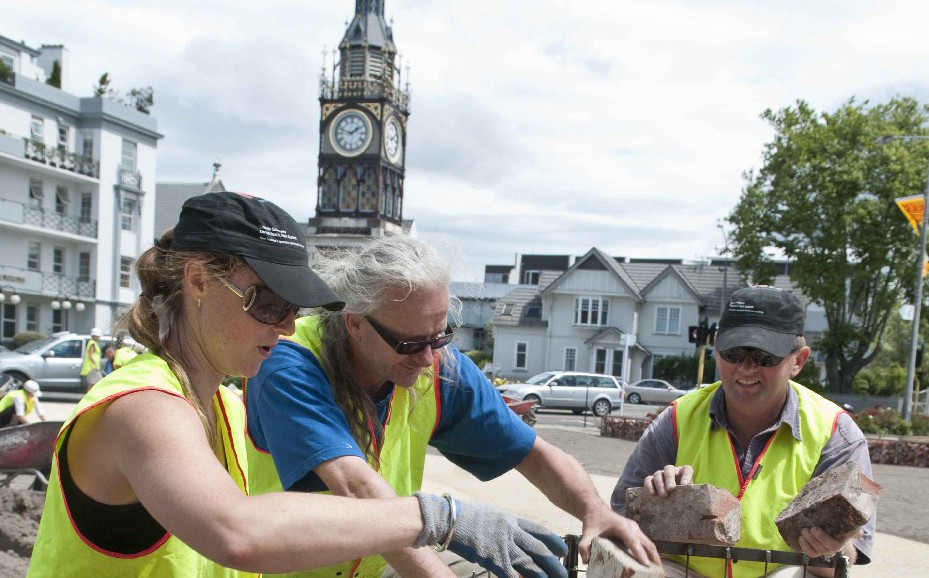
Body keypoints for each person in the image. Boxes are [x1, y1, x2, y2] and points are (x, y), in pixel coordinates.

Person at [28, 191, 567, 578]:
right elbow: (239, 534)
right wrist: (435, 518)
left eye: (293, 307)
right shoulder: (145, 406)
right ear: (196, 279)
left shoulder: (222, 406)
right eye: (267, 302)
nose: (287, 326)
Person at [244, 235, 661, 578]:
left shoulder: (434, 364)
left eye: (439, 336)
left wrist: (595, 511)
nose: (428, 359)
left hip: (381, 564)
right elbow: (356, 489)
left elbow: (534, 454)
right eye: (410, 343)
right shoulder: (288, 361)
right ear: (354, 321)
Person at [610, 286, 875, 578]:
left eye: (764, 355)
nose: (746, 368)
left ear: (798, 361)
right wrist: (654, 502)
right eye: (733, 353)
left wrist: (833, 548)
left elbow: (849, 558)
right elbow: (618, 523)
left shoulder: (835, 433)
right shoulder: (677, 419)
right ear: (716, 351)